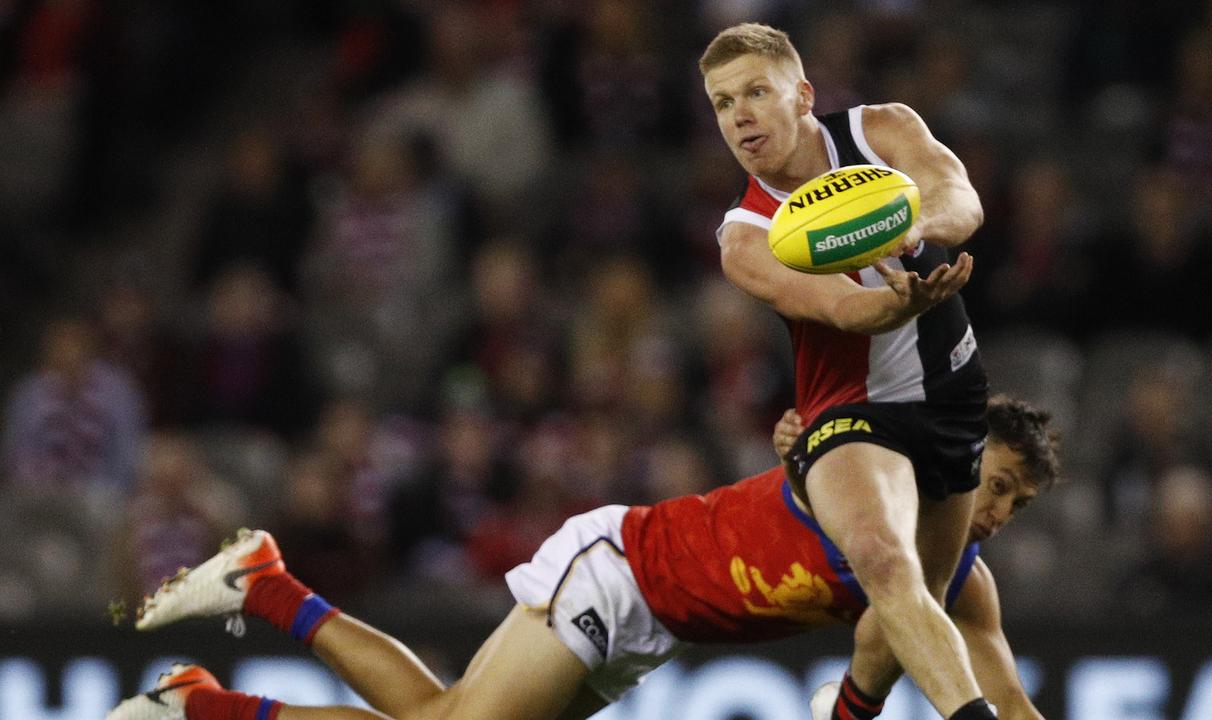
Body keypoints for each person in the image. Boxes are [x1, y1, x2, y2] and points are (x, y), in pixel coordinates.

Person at [106, 396, 1058, 720]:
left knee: (442, 718)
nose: (1002, 510)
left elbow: (1011, 705)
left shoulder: (958, 589)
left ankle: (258, 590)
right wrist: (807, 441)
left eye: (1019, 500)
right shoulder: (871, 478)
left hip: (656, 632)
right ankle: (201, 699)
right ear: (960, 454)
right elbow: (831, 430)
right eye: (1000, 481)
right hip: (622, 569)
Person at [700, 22, 990, 720]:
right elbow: (836, 308)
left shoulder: (881, 129)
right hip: (848, 412)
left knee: (921, 596)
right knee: (884, 563)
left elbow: (964, 201)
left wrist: (911, 225)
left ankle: (848, 712)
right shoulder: (745, 237)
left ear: (802, 96)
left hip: (952, 392)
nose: (738, 115)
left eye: (755, 92)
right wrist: (891, 306)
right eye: (720, 103)